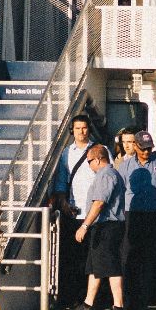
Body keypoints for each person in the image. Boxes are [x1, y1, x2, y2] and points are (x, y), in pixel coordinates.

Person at [115, 129, 156, 310]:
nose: (146, 152)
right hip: (133, 217)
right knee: (130, 260)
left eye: (149, 148)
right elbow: (119, 192)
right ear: (135, 146)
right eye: (143, 148)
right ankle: (131, 304)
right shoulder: (125, 166)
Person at [70, 145, 128, 310]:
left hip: (107, 226)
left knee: (110, 266)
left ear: (97, 159)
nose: (89, 165)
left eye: (89, 161)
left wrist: (84, 226)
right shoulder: (107, 175)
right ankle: (88, 305)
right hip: (103, 226)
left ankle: (119, 306)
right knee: (95, 266)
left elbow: (99, 203)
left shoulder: (106, 175)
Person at [52, 114, 97, 298]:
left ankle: (89, 298)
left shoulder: (99, 150)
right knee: (72, 258)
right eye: (77, 128)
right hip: (72, 213)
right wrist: (63, 202)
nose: (81, 131)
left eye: (84, 127)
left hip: (93, 214)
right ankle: (72, 297)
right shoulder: (66, 153)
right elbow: (61, 182)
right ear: (72, 130)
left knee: (90, 259)